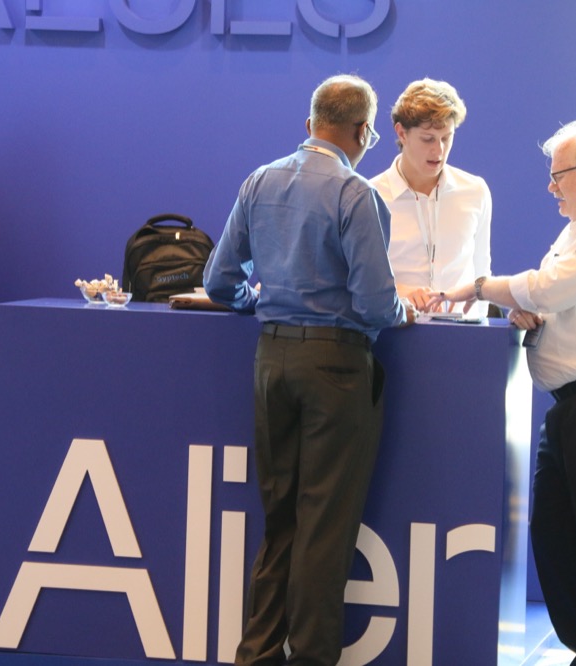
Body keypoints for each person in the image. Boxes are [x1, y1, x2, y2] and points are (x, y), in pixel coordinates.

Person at [430, 120, 576, 665]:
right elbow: (559, 300)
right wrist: (531, 317)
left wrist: (483, 287)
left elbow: (554, 287)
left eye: (559, 175)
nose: (551, 186)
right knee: (556, 536)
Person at [204, 74, 412, 666]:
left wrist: (258, 302)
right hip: (336, 369)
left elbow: (219, 281)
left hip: (271, 361)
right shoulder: (355, 193)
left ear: (309, 125)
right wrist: (403, 310)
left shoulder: (260, 180)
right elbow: (375, 303)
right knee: (325, 526)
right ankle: (312, 658)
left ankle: (256, 654)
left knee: (280, 519)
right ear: (364, 133)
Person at [370, 78, 492, 315]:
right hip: (398, 329)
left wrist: (480, 326)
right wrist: (398, 292)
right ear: (401, 133)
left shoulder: (475, 190)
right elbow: (361, 283)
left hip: (463, 330)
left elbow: (482, 273)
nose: (439, 150)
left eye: (447, 137)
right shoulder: (371, 196)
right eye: (428, 139)